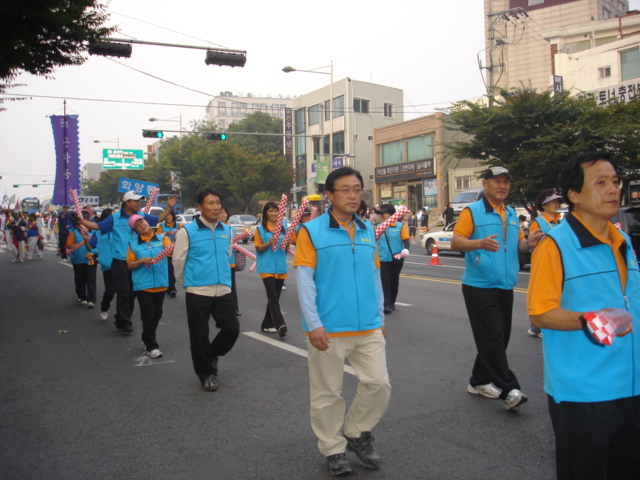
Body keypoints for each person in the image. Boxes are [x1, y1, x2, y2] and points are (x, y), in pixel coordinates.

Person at [527, 151, 640, 480]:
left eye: (616, 182)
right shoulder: (556, 245)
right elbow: (540, 313)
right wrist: (590, 319)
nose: (612, 190)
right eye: (601, 182)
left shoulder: (622, 242)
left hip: (631, 386)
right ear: (574, 195)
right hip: (584, 393)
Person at [294, 166, 390, 477]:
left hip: (367, 326)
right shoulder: (312, 231)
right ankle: (333, 449)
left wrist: (378, 316)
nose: (353, 195)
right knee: (327, 393)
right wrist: (314, 323)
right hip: (329, 328)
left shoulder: (366, 231)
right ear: (330, 195)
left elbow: (375, 276)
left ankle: (357, 431)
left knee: (378, 384)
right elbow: (305, 279)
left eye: (357, 189)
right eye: (345, 189)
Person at [451, 166, 542, 410]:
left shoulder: (511, 213)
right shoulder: (473, 211)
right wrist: (478, 243)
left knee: (500, 339)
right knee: (492, 337)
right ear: (485, 184)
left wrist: (528, 243)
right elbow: (456, 240)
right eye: (497, 181)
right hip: (479, 285)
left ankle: (479, 381)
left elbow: (515, 247)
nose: (502, 186)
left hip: (505, 284)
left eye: (506, 182)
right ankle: (509, 388)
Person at [78, 191, 177, 333]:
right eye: (135, 201)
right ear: (126, 202)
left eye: (139, 201)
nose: (138, 203)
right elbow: (98, 227)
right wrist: (81, 221)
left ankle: (122, 317)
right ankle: (125, 322)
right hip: (120, 261)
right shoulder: (114, 218)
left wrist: (169, 207)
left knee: (132, 292)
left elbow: (159, 219)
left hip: (136, 259)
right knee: (123, 291)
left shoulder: (141, 216)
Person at [173, 188, 240, 392]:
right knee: (199, 335)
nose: (216, 207)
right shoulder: (187, 232)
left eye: (218, 202)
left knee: (232, 329)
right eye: (210, 203)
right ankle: (207, 374)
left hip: (223, 290)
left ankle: (211, 354)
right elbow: (178, 260)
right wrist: (189, 282)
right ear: (200, 207)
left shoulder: (228, 230)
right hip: (197, 291)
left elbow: (227, 254)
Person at [126, 215, 171, 359]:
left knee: (157, 314)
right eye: (137, 225)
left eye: (142, 221)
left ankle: (146, 338)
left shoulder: (162, 239)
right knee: (149, 316)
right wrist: (141, 261)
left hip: (161, 283)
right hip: (143, 285)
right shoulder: (132, 244)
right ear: (135, 230)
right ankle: (152, 346)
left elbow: (172, 251)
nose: (141, 225)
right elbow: (130, 265)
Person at [526, 188, 563, 338]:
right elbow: (533, 244)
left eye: (557, 201)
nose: (556, 204)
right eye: (551, 201)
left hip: (558, 263)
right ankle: (540, 325)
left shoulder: (560, 221)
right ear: (543, 205)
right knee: (544, 294)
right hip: (543, 263)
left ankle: (536, 327)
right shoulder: (539, 222)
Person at [254, 201, 290, 337]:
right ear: (266, 213)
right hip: (266, 268)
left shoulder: (284, 228)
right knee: (273, 297)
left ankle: (267, 324)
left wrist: (286, 243)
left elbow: (285, 249)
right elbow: (258, 248)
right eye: (270, 211)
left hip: (281, 268)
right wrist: (269, 242)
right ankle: (280, 324)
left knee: (274, 298)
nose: (273, 213)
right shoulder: (260, 229)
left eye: (276, 210)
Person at [375, 203, 410, 314]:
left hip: (397, 258)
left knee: (394, 280)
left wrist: (406, 249)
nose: (381, 216)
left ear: (391, 214)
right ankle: (386, 304)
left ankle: (392, 302)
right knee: (385, 280)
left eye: (383, 214)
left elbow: (406, 240)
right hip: (383, 258)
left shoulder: (400, 226)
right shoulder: (378, 227)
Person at [66, 212, 98, 308]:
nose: (86, 221)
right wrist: (75, 246)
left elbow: (98, 245)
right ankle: (82, 297)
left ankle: (91, 300)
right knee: (80, 279)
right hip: (78, 260)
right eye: (83, 219)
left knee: (91, 279)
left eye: (87, 219)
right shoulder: (74, 233)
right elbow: (68, 245)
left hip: (91, 259)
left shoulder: (93, 233)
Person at [95, 208, 116, 321]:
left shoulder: (117, 229)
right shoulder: (99, 230)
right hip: (107, 264)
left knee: (124, 291)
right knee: (110, 290)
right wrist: (94, 253)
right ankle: (104, 307)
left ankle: (122, 316)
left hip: (120, 263)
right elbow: (94, 245)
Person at [218, 206, 240, 316]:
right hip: (219, 262)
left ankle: (235, 308)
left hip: (230, 261)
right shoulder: (216, 228)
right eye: (220, 213)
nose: (223, 215)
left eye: (224, 213)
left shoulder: (232, 229)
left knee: (232, 285)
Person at [156, 209, 179, 298]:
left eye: (170, 215)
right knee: (169, 271)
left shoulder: (179, 225)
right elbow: (159, 237)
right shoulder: (161, 226)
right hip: (167, 253)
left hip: (177, 252)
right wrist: (166, 235)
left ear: (173, 216)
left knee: (174, 272)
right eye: (166, 215)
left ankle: (171, 286)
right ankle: (172, 289)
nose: (168, 217)